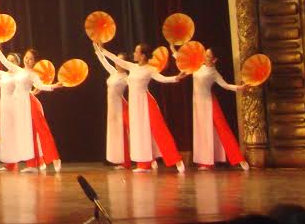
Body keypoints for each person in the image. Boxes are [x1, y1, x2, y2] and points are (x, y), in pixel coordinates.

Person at [96, 42, 187, 172]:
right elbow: (115, 60)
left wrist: (176, 78)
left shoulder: (150, 69)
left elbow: (162, 79)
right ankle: (144, 163)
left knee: (159, 130)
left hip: (146, 102)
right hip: (134, 105)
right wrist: (102, 50)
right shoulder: (132, 67)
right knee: (139, 134)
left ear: (143, 56)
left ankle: (176, 160)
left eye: (136, 52)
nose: (134, 53)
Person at [0, 47, 62, 173]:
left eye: (31, 59)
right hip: (20, 105)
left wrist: (55, 86)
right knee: (28, 135)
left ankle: (54, 158)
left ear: (34, 62)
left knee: (42, 130)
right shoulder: (18, 71)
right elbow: (4, 62)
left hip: (30, 102)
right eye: (26, 57)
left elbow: (41, 86)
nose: (27, 60)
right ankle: (33, 164)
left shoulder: (33, 74)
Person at [187, 47, 250, 170]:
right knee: (202, 133)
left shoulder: (213, 72)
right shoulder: (197, 66)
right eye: (205, 55)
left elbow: (225, 85)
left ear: (214, 59)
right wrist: (173, 50)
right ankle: (206, 162)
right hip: (197, 104)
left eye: (209, 56)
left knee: (222, 128)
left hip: (209, 103)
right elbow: (182, 61)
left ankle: (239, 159)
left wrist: (239, 88)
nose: (206, 57)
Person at [94, 47, 131, 169]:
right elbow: (104, 61)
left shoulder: (126, 78)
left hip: (121, 107)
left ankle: (131, 160)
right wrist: (97, 49)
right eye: (116, 60)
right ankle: (122, 161)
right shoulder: (114, 72)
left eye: (119, 61)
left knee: (125, 134)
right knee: (117, 135)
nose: (116, 63)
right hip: (112, 109)